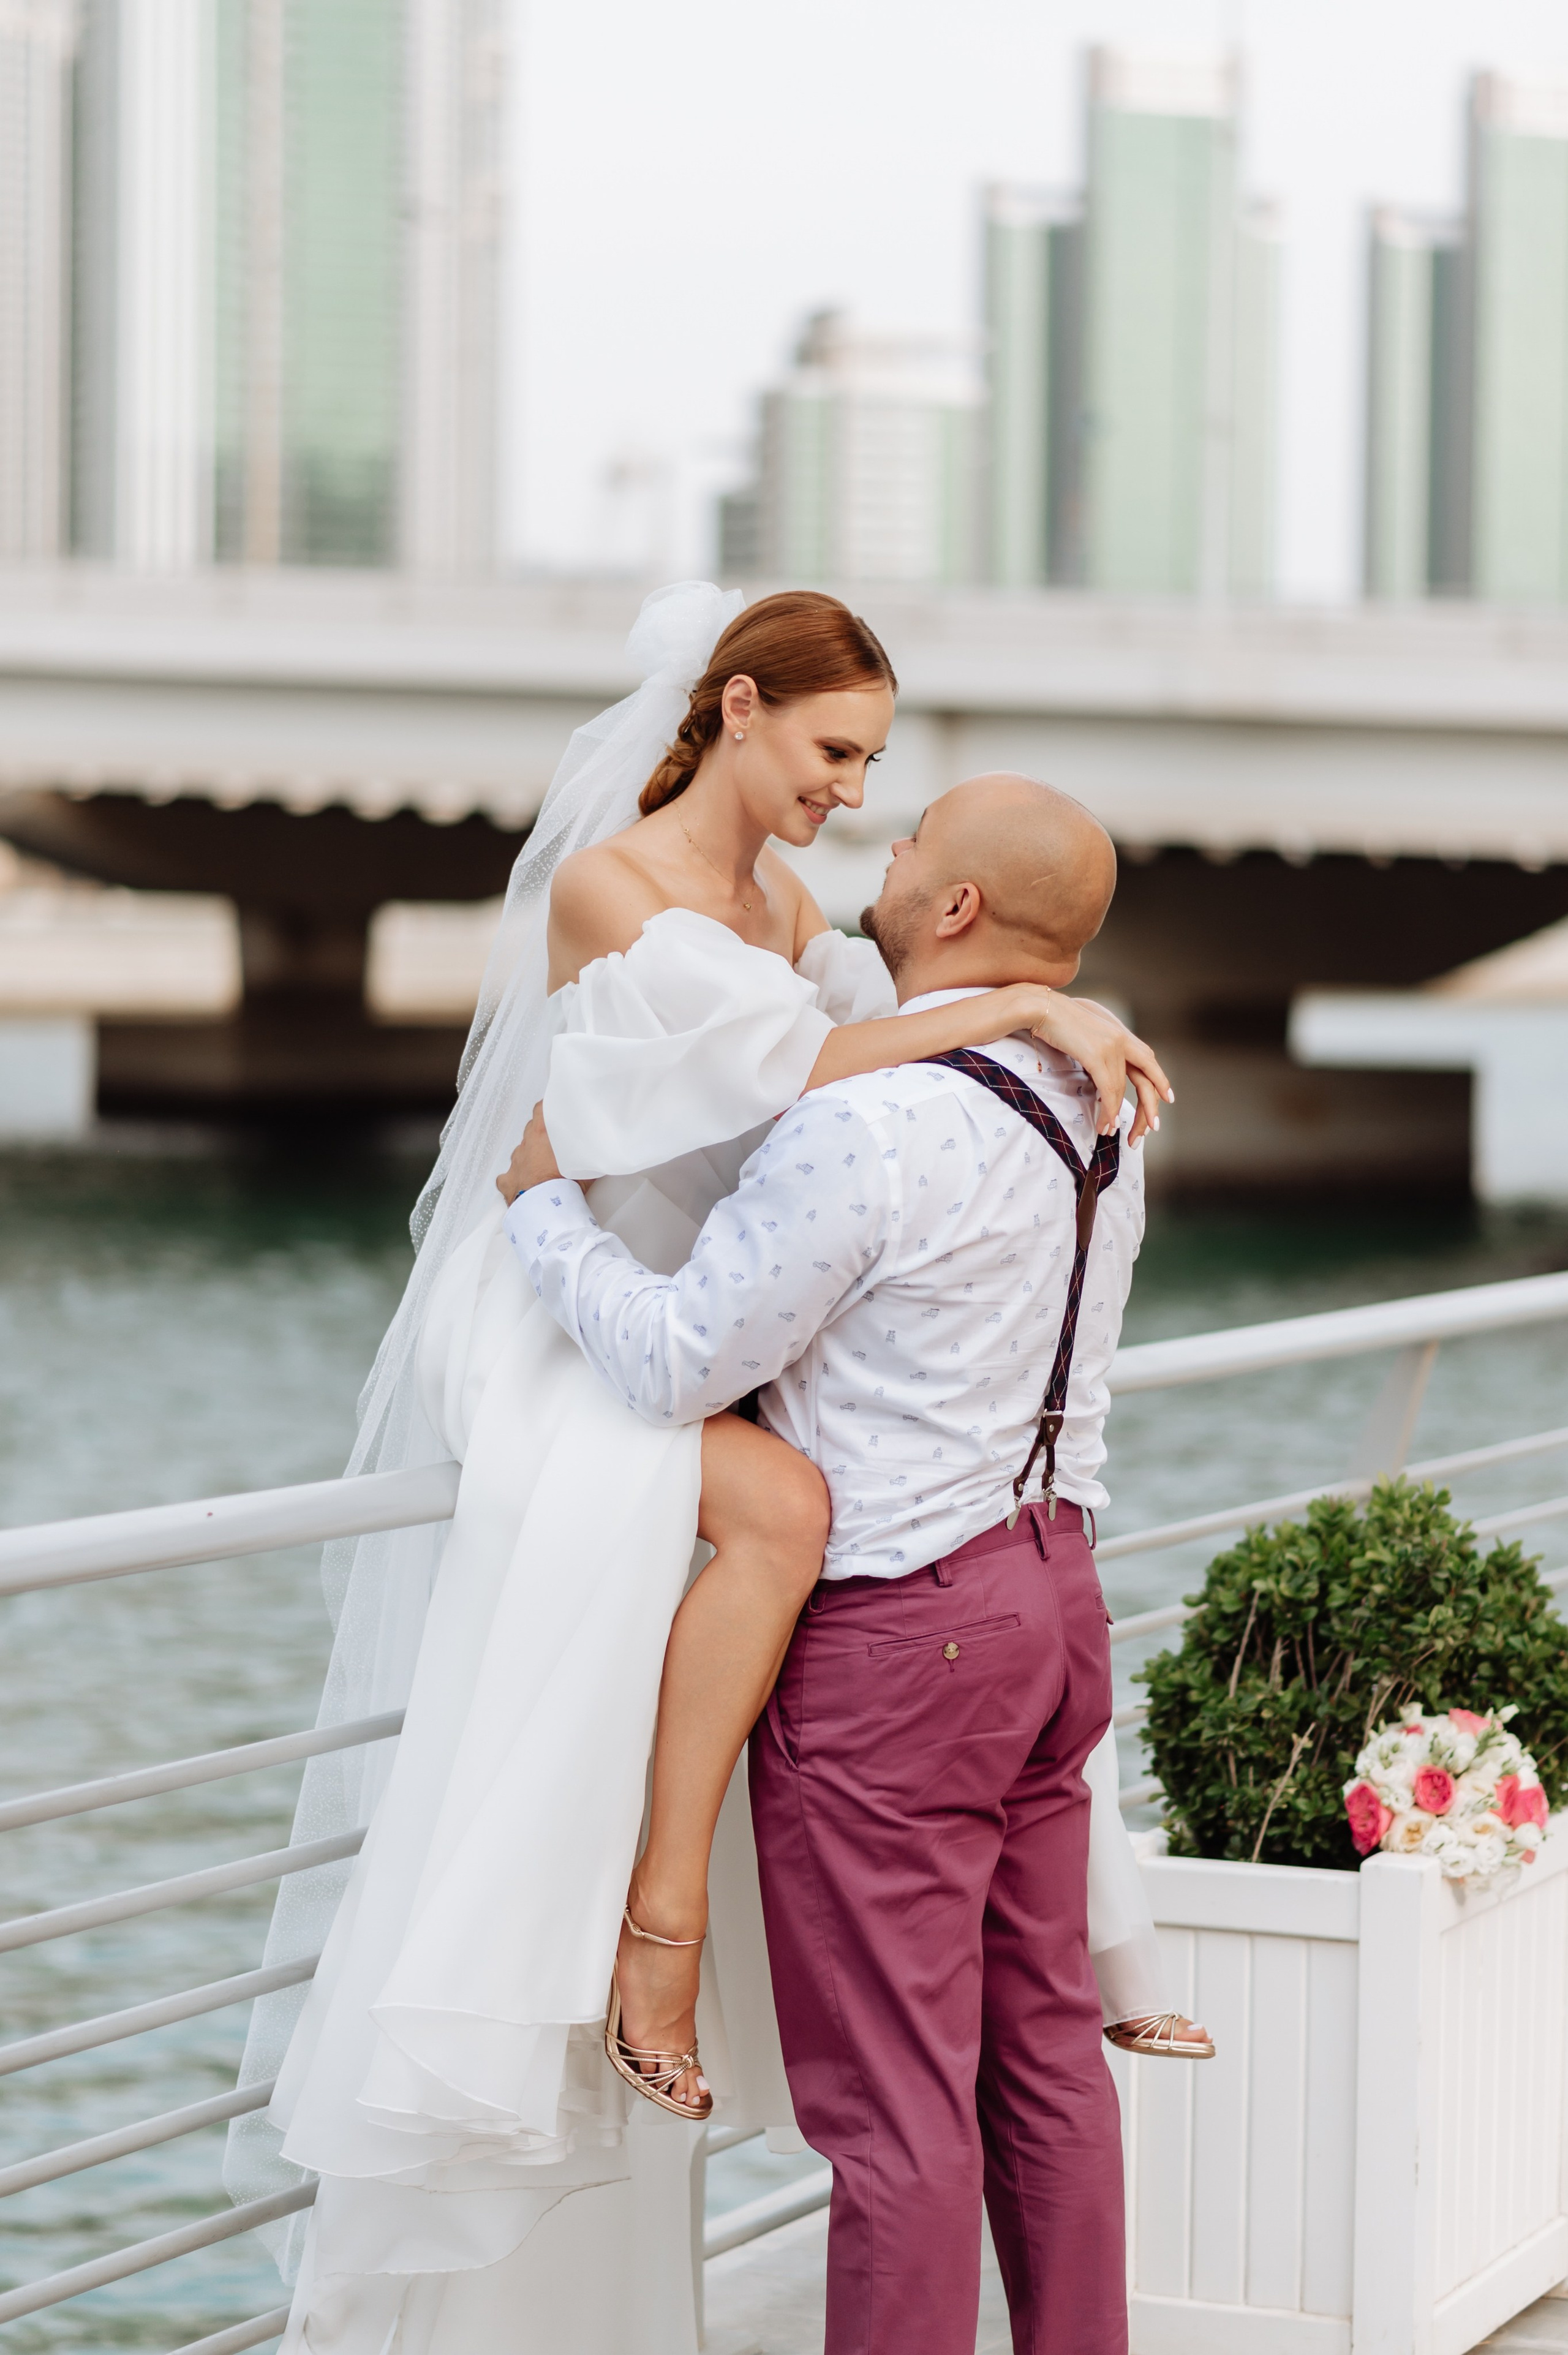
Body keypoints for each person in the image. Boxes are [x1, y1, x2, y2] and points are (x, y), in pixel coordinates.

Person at [230, 585, 1194, 2355]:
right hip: (579, 1302)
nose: (853, 797)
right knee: (1021, 2032)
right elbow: (801, 1064)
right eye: (838, 752)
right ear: (737, 709)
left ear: (949, 903)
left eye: (880, 778)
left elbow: (823, 1082)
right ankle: (655, 1916)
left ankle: (658, 1920)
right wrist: (1034, 1014)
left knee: (904, 2104)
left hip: (702, 1335)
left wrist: (1012, 1006)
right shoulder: (619, 887)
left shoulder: (806, 926)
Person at [506, 771, 1151, 2355]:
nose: (888, 836)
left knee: (897, 2113)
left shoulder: (866, 1125)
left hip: (905, 1636)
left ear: (955, 911)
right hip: (1055, 1597)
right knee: (1049, 2058)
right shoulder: (1096, 1106)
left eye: (915, 832)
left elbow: (672, 1362)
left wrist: (543, 1219)